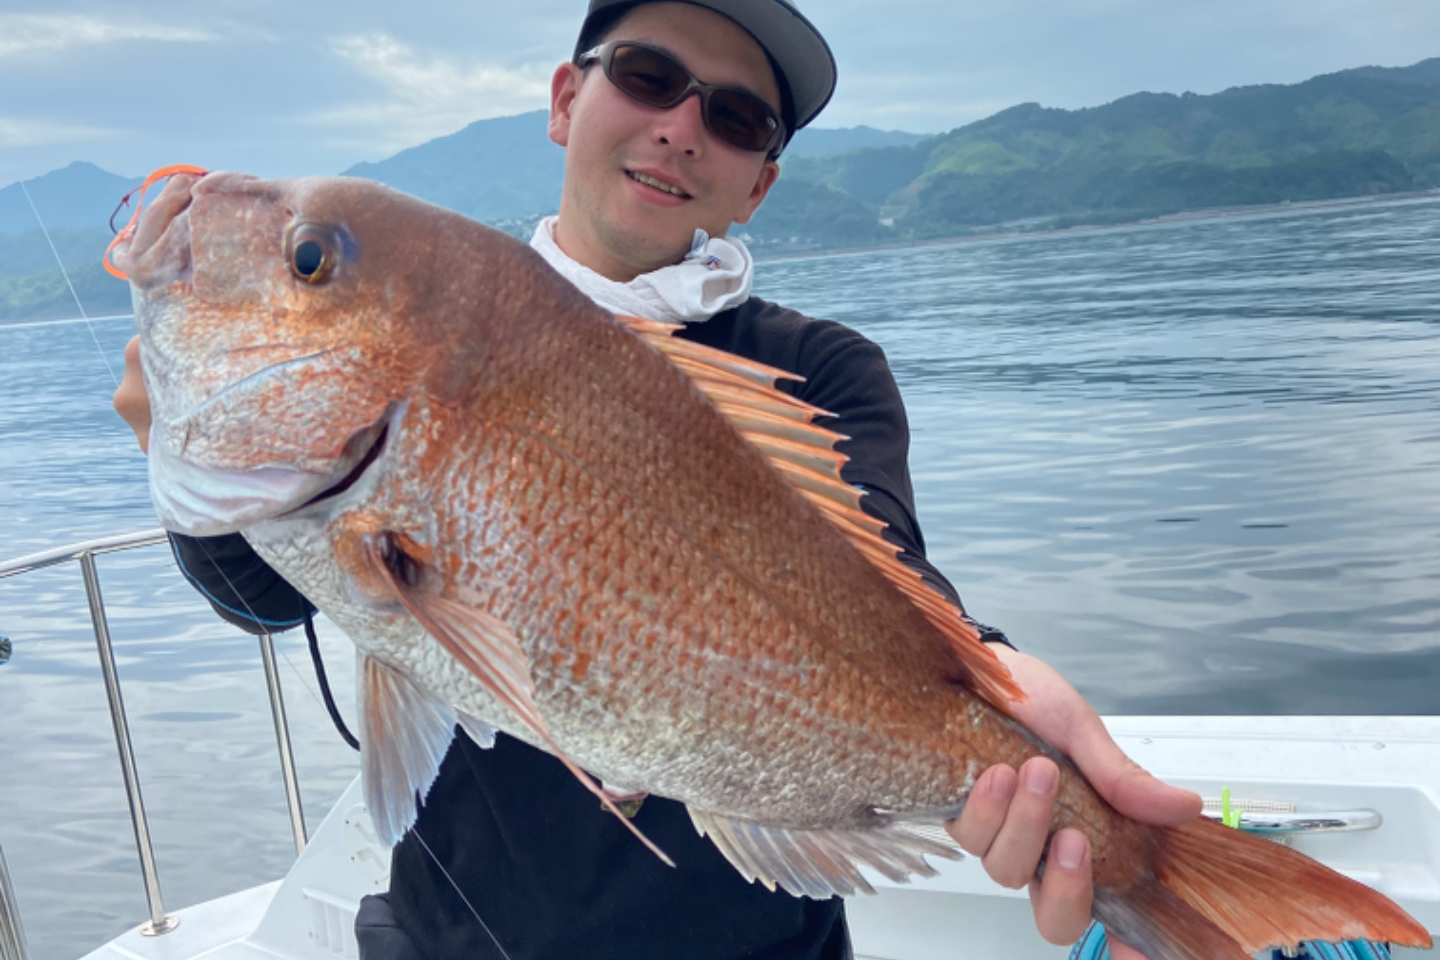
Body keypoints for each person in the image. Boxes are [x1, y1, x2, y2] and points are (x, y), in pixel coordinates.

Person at [112, 2, 1200, 957]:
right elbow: (262, 599)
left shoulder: (819, 370)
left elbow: (889, 598)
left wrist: (999, 698)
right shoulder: (439, 329)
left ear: (759, 182)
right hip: (451, 940)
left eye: (737, 117)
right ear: (564, 101)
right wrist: (187, 454)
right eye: (646, 76)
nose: (681, 126)